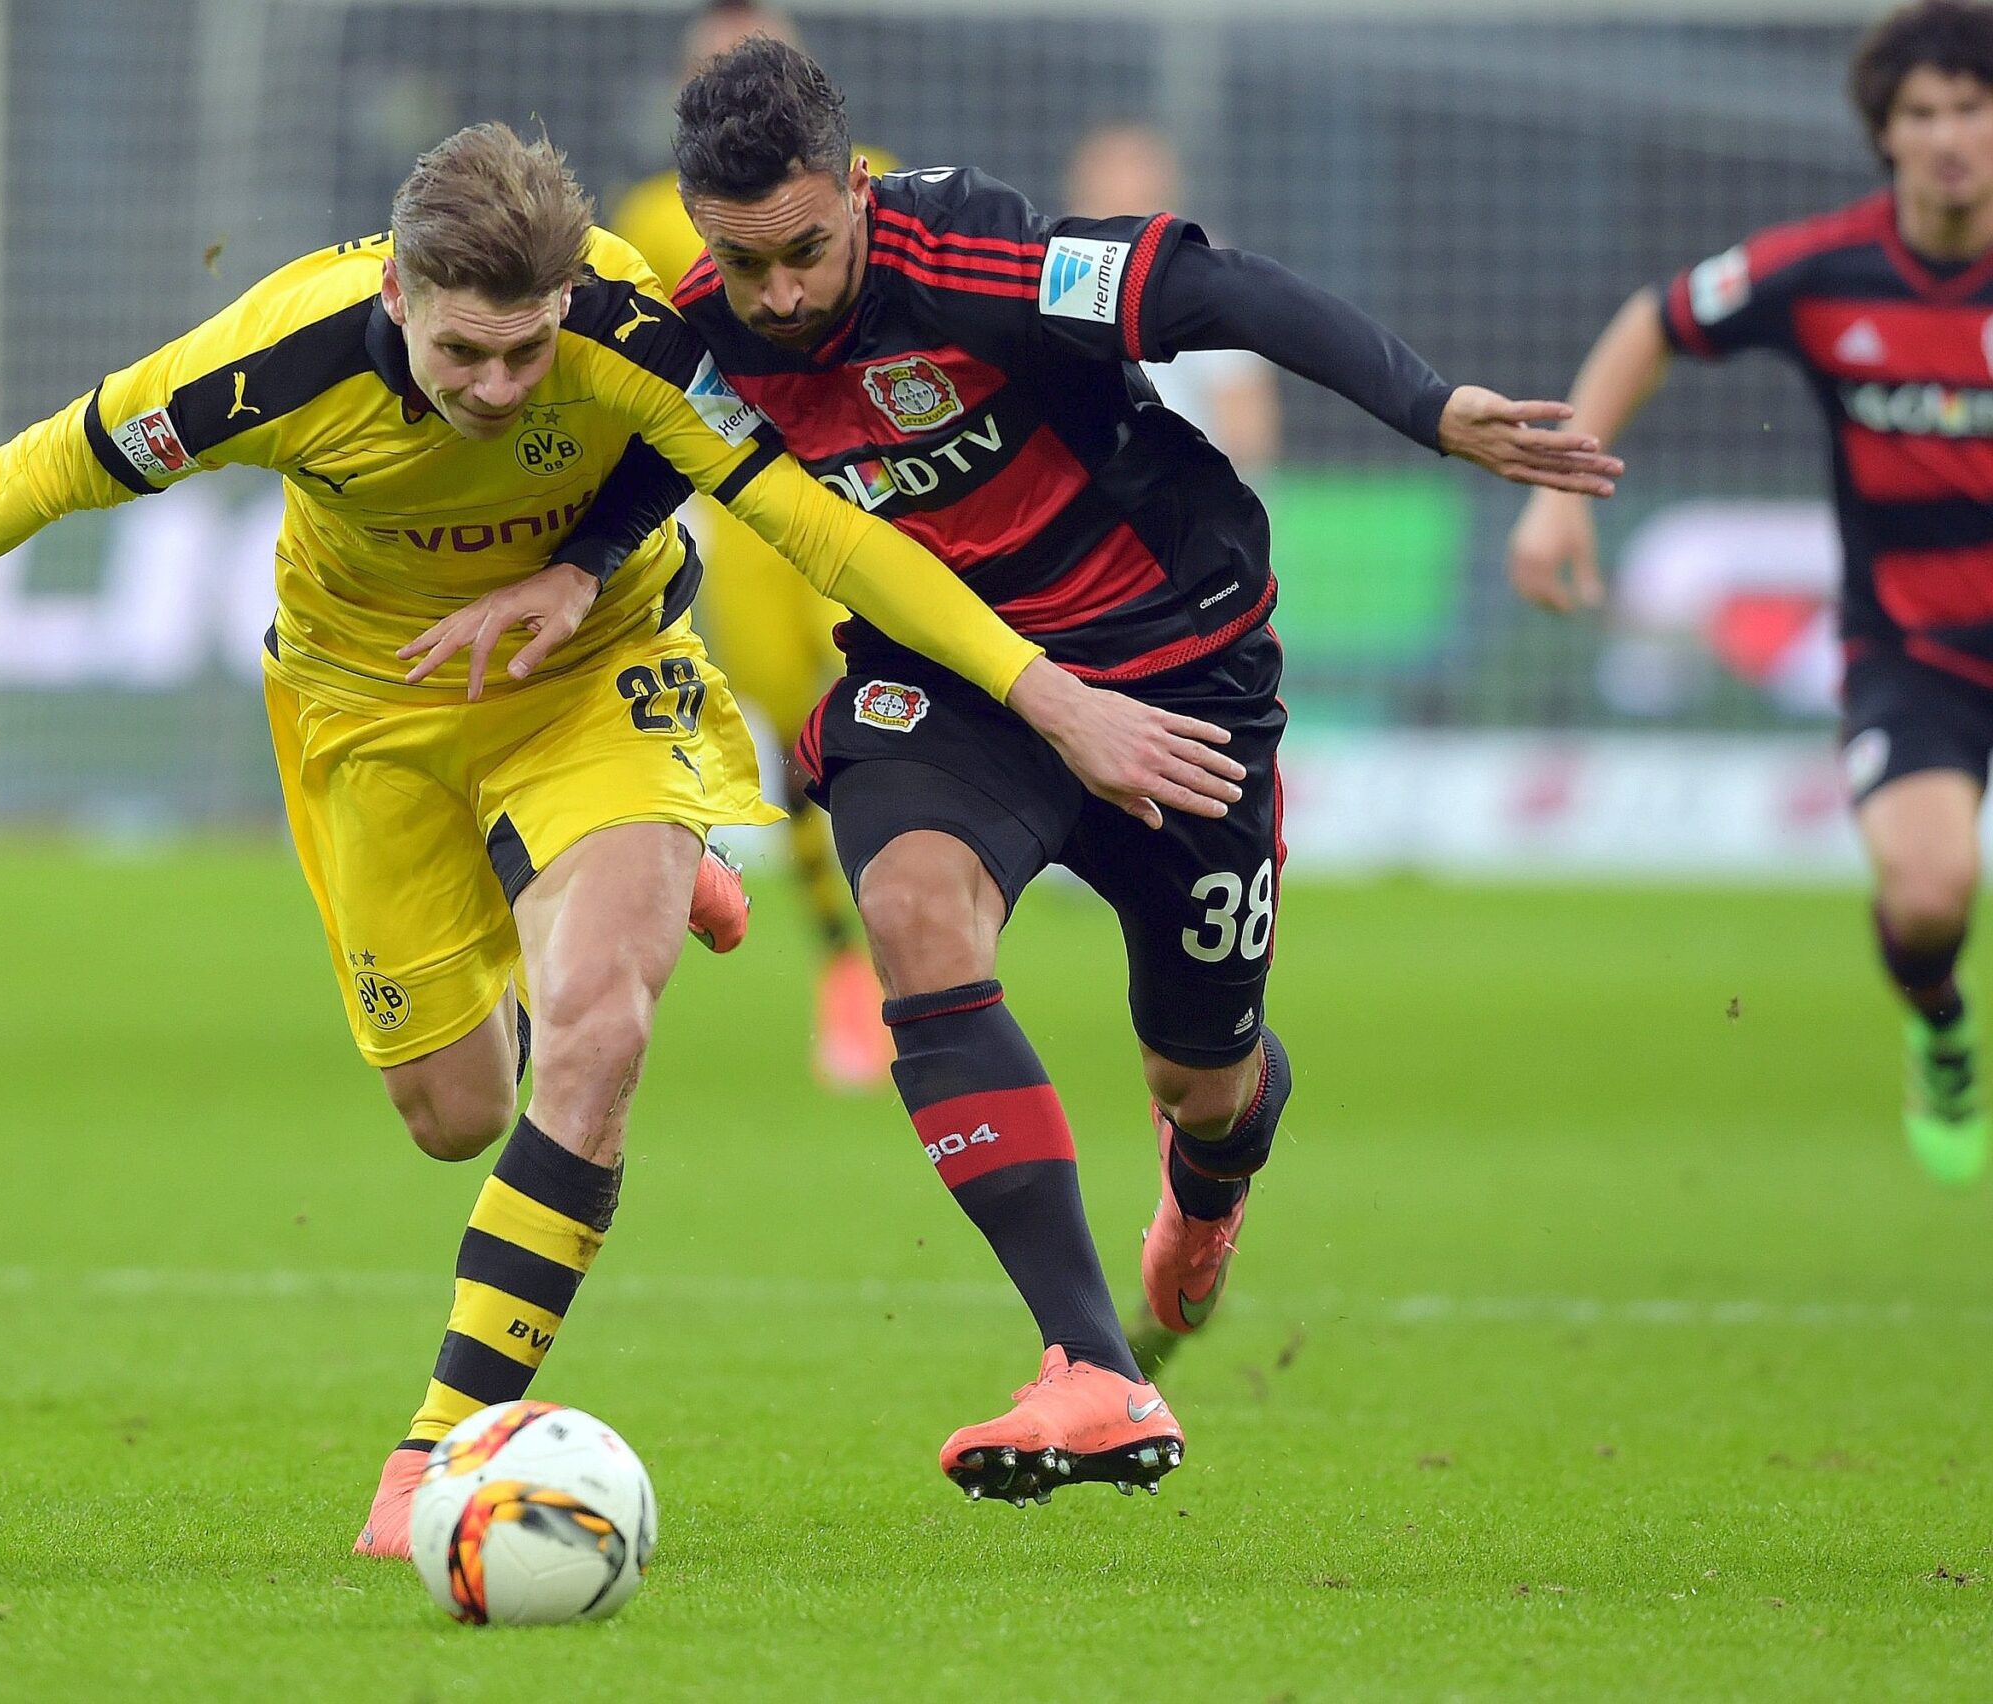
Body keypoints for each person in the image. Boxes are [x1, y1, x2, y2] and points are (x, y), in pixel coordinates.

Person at [0, 124, 1242, 1554]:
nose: (502, 387)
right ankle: (596, 881)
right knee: (452, 1111)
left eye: (527, 348)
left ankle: (435, 1446)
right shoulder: (277, 356)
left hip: (594, 682)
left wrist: (1042, 692)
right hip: (368, 715)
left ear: (570, 293)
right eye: (463, 352)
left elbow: (821, 528)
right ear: (398, 284)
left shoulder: (632, 331)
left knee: (597, 1033)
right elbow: (48, 467)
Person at [636, 38, 1618, 1503]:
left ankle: (1209, 1184)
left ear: (854, 186)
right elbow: (620, 468)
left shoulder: (975, 255)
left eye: (803, 251)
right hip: (959, 683)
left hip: (1178, 667)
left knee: (1201, 1077)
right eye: (743, 262)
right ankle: (1091, 1366)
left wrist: (1431, 408)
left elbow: (1222, 291)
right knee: (912, 912)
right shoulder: (709, 329)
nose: (779, 294)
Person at [1511, 0, 1993, 1190]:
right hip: (1916, 651)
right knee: (1930, 896)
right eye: (1920, 113)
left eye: (1971, 108)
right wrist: (1560, 488)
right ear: (1883, 135)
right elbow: (1655, 320)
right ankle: (1939, 1029)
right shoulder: (1824, 270)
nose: (1948, 136)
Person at [611, 0, 907, 1089]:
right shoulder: (648, 217)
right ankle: (849, 968)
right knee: (796, 730)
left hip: (873, 498)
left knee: (899, 709)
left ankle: (922, 946)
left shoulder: (867, 181)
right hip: (747, 519)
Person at [1063, 121, 1281, 475]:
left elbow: (1244, 415)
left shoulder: (1203, 268)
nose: (1125, 186)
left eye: (1137, 170)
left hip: (1177, 494)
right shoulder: (1049, 271)